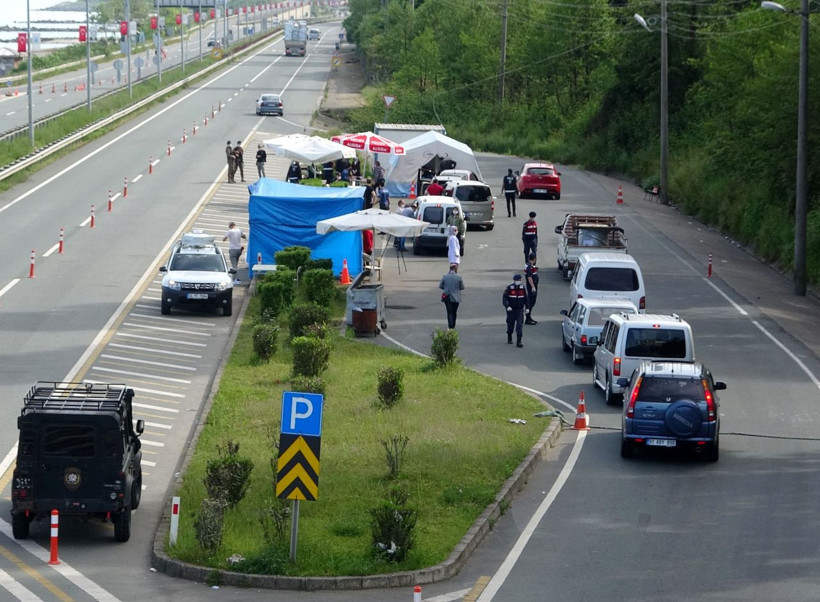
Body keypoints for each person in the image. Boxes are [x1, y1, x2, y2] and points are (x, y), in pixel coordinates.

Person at [503, 273, 527, 347]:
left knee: (519, 325)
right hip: (511, 310)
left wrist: (528, 307)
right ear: (514, 280)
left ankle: (519, 341)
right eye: (517, 280)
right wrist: (507, 306)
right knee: (510, 325)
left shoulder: (523, 288)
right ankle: (509, 336)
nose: (518, 281)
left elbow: (526, 299)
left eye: (519, 280)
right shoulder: (509, 288)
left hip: (519, 310)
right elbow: (504, 299)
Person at [439, 264, 464, 329]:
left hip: (447, 297)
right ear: (455, 269)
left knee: (449, 312)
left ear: (449, 269)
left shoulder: (445, 276)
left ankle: (450, 327)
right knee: (454, 312)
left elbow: (441, 286)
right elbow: (462, 287)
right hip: (456, 298)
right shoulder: (459, 277)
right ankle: (453, 326)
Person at [524, 253, 539, 325]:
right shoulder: (529, 267)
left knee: (531, 302)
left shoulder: (529, 265)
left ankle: (529, 317)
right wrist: (533, 287)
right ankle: (527, 318)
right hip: (531, 287)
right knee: (531, 302)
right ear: (534, 259)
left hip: (532, 286)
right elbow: (529, 277)